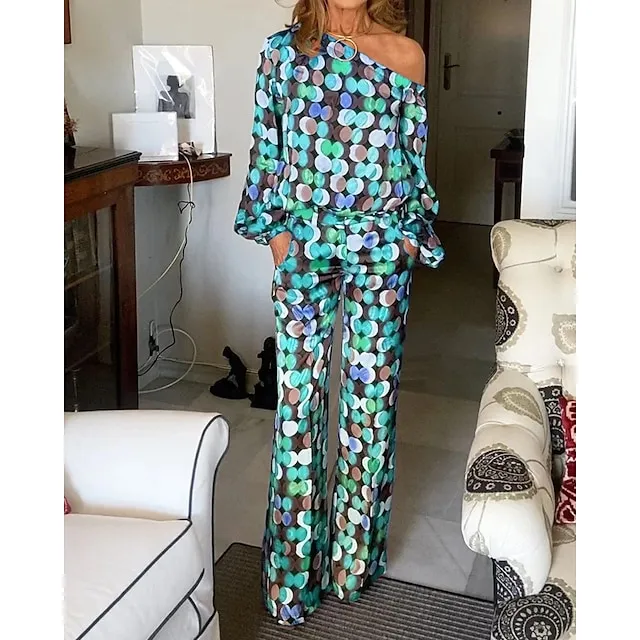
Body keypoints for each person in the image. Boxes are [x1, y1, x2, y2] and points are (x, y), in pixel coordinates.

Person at [234, 0, 444, 626]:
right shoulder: (281, 53)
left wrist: (408, 238)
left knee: (370, 407)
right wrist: (278, 238)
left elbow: (413, 160)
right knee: (297, 409)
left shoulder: (407, 56)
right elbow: (267, 154)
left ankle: (354, 565)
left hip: (382, 246)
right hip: (303, 242)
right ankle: (291, 578)